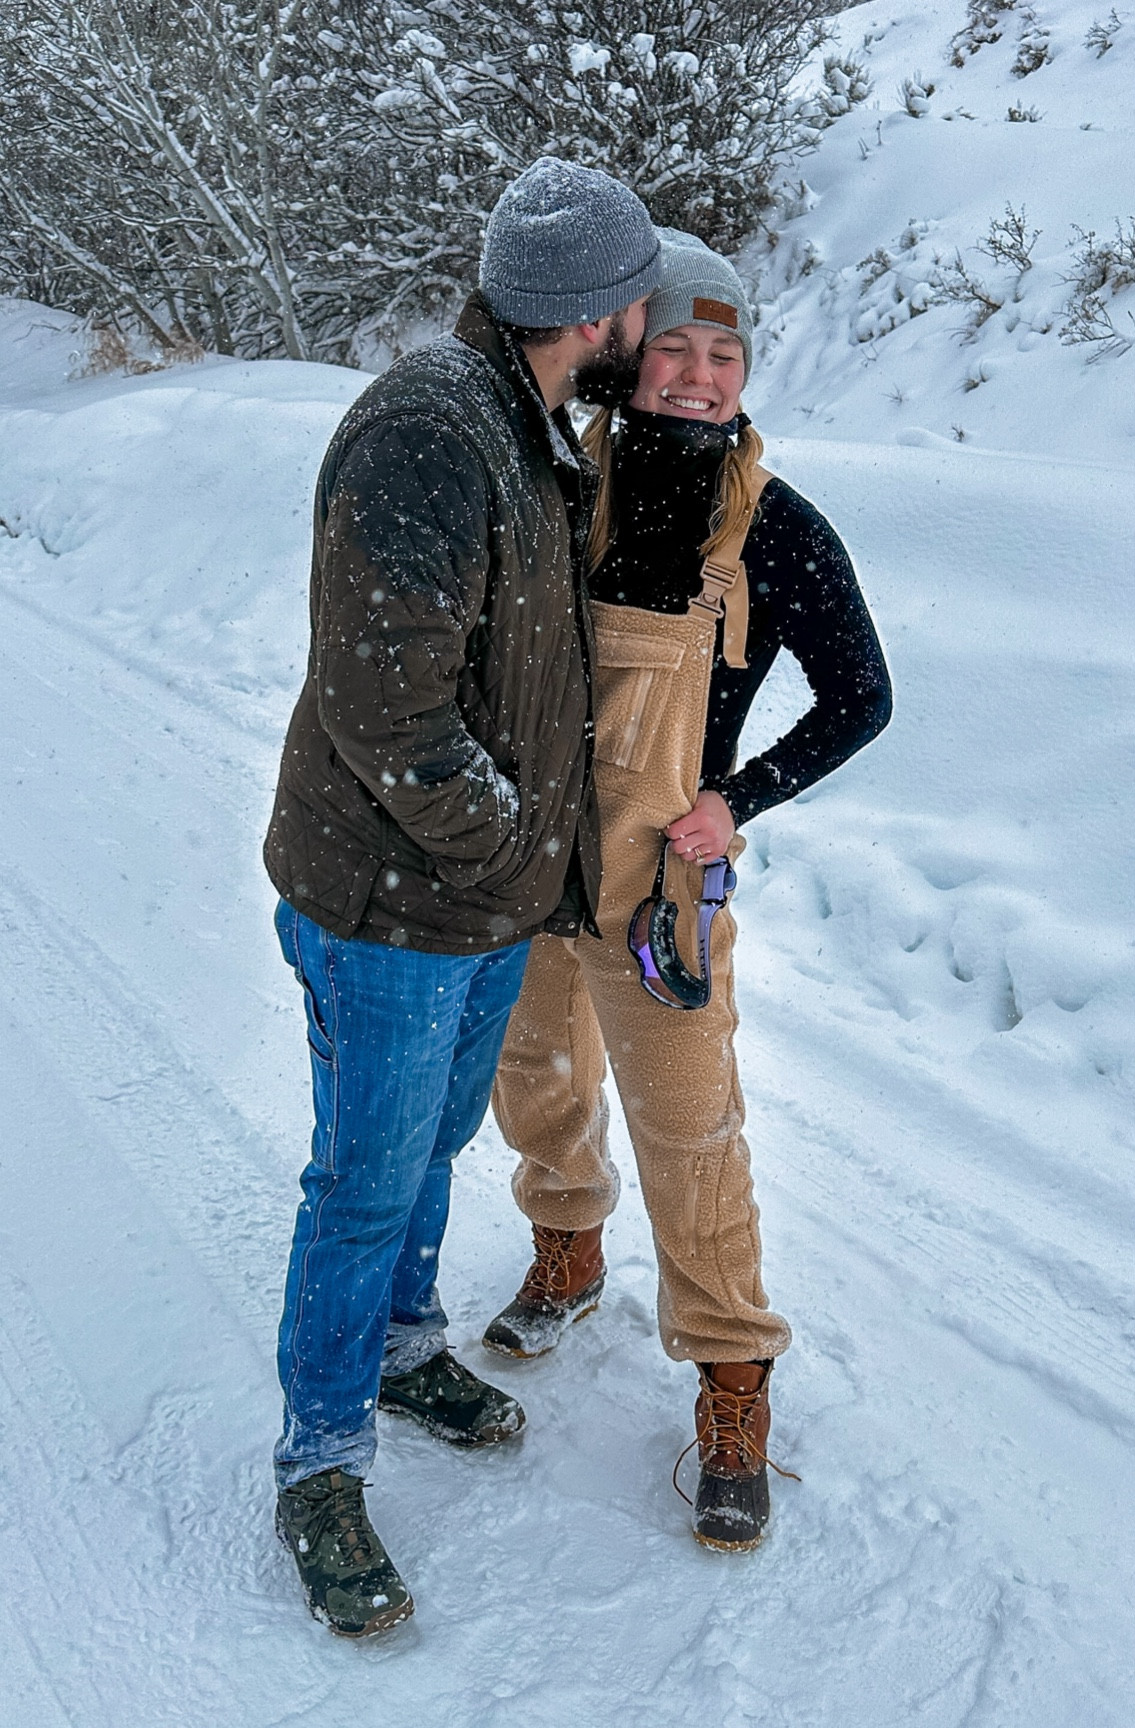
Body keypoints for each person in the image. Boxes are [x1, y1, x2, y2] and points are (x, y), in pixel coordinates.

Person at [263, 158, 661, 1636]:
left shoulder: (531, 421)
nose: (647, 318)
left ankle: (402, 1342)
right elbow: (389, 711)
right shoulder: (434, 434)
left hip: (470, 910)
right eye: (636, 299)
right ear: (590, 309)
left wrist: (518, 884)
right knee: (362, 1183)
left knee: (434, 1139)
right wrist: (510, 857)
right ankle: (317, 1462)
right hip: (389, 911)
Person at [485, 230, 892, 1552]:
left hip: (661, 892)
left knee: (691, 1131)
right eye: (677, 349)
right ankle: (570, 1245)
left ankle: (730, 1377)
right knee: (533, 1072)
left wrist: (736, 801)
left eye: (725, 355)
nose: (702, 376)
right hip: (535, 858)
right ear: (629, 352)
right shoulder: (561, 480)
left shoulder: (773, 527)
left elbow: (862, 700)